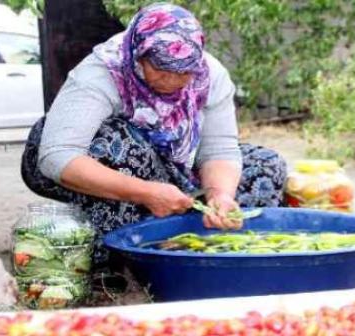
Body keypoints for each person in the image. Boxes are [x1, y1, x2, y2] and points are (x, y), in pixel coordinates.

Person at [20, 3, 287, 267]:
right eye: (160, 68)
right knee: (121, 145)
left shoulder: (209, 75)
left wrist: (220, 195)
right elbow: (57, 156)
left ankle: (192, 245)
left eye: (183, 72)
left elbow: (219, 149)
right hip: (78, 162)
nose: (172, 80)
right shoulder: (101, 73)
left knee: (265, 166)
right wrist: (146, 193)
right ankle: (122, 253)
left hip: (168, 165)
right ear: (139, 56)